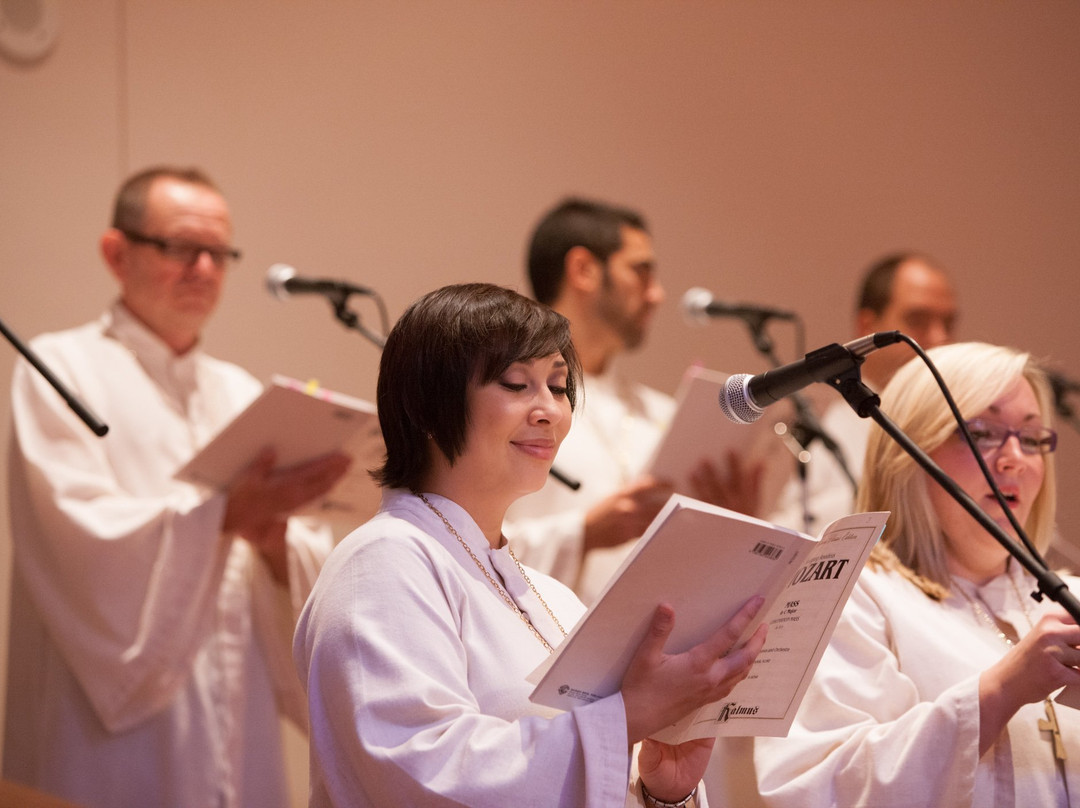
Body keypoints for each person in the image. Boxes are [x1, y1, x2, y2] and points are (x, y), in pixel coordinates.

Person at [293, 282, 769, 807]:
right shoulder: (383, 562)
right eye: (517, 385)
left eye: (560, 387)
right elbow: (417, 771)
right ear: (426, 407)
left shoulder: (554, 598)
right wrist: (627, 717)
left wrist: (661, 790)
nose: (550, 411)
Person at [4, 166, 351, 807]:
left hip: (236, 711)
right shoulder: (61, 370)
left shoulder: (240, 393)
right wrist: (222, 516)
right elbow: (79, 538)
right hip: (109, 737)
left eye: (219, 253)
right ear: (117, 253)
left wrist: (275, 541)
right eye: (180, 248)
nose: (204, 269)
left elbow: (287, 556)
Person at [753, 341, 1080, 806]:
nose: (1015, 459)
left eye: (1030, 439)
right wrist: (1002, 690)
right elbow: (815, 788)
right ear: (909, 453)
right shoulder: (851, 598)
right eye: (982, 432)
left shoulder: (1070, 602)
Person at [504, 197, 757, 604]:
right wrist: (584, 534)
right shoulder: (505, 401)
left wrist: (731, 521)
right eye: (641, 271)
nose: (657, 295)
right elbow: (465, 542)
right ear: (583, 270)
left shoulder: (662, 413)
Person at [768, 251, 959, 534]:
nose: (939, 338)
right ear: (868, 327)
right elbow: (787, 540)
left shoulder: (962, 426)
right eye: (918, 320)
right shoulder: (821, 433)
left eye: (948, 323)